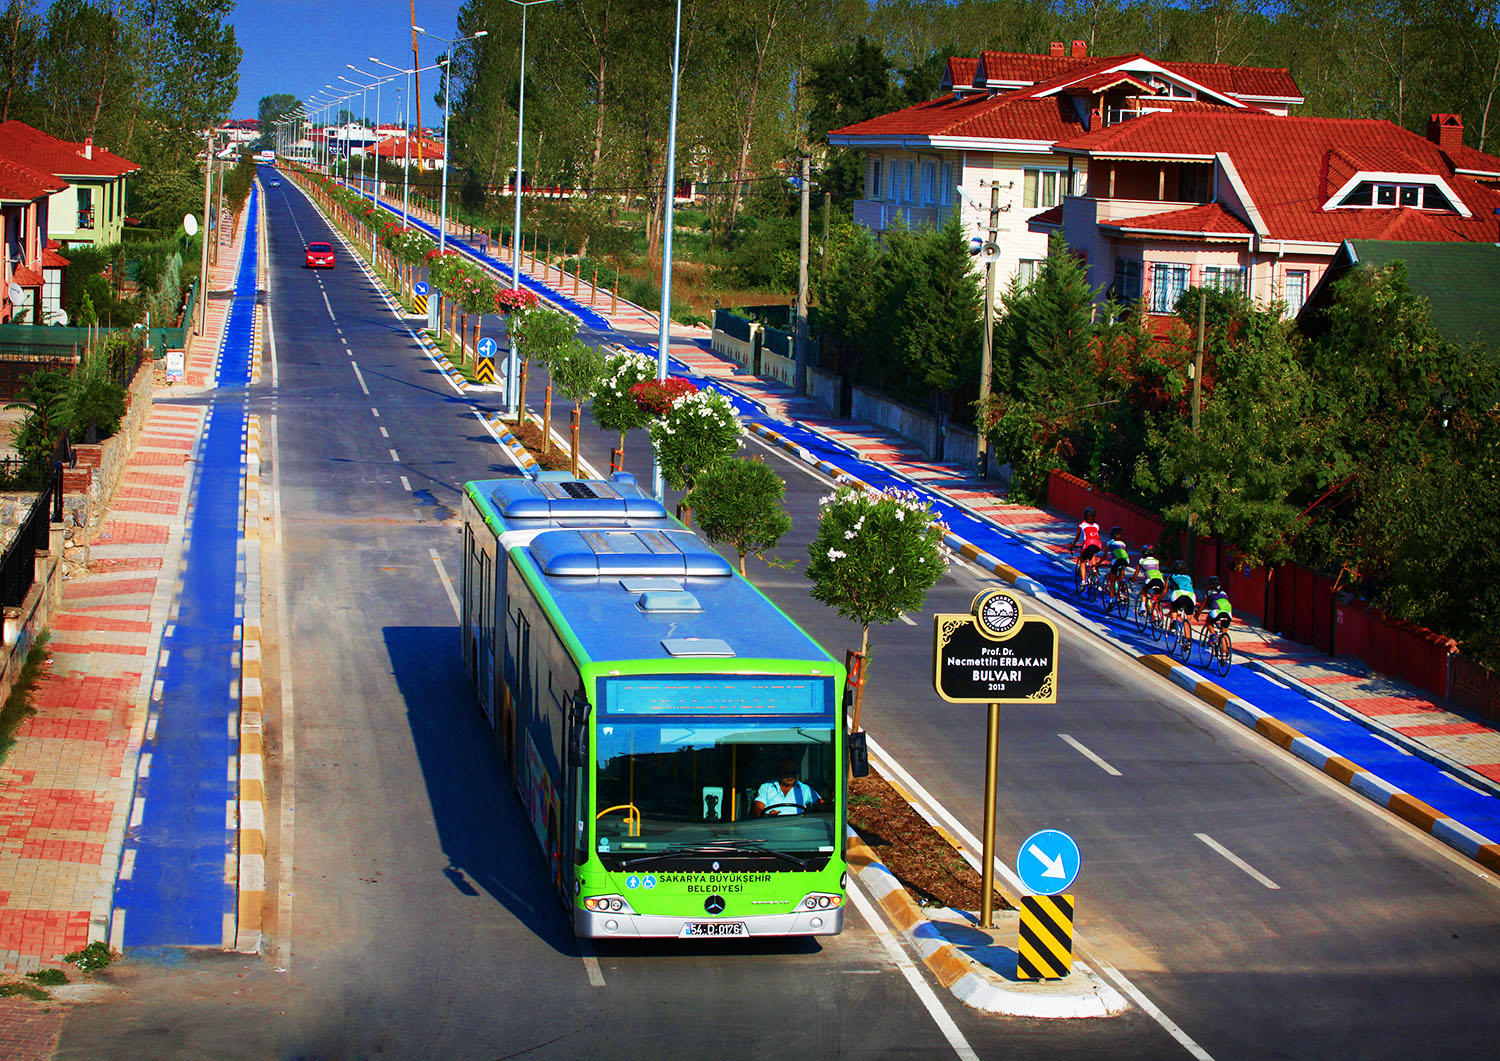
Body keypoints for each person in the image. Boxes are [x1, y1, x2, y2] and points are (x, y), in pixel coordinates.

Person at [753, 760, 825, 817]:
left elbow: (822, 805)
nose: (790, 776)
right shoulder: (766, 787)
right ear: (780, 772)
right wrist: (766, 816)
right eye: (787, 772)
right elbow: (758, 809)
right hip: (771, 826)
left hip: (797, 829)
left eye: (793, 772)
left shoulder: (805, 789)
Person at [1068, 506, 1104, 586]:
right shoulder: (1097, 525)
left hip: (1088, 543)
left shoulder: (1082, 525)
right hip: (1098, 544)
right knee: (1093, 552)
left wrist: (1073, 545)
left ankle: (1083, 581)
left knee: (1082, 560)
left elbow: (1077, 537)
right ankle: (1094, 569)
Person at [1135, 542, 1167, 617]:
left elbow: (1136, 573)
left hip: (1150, 580)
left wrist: (1132, 580)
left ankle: (1142, 607)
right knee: (1156, 597)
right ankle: (1158, 614)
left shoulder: (1141, 561)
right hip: (1160, 580)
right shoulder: (1156, 561)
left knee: (1144, 590)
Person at [1166, 560, 1197, 631]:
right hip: (1191, 596)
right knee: (1188, 621)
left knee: (1173, 607)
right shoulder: (1189, 578)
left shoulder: (1171, 577)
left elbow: (1165, 590)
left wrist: (1158, 599)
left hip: (1178, 594)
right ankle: (1188, 639)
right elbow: (1191, 587)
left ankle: (1173, 620)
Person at [1103, 526, 1131, 598]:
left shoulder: (1110, 542)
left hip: (1116, 561)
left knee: (1112, 581)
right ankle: (1123, 583)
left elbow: (1104, 555)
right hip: (1126, 560)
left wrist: (1099, 563)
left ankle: (1111, 600)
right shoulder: (1122, 543)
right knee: (1122, 569)